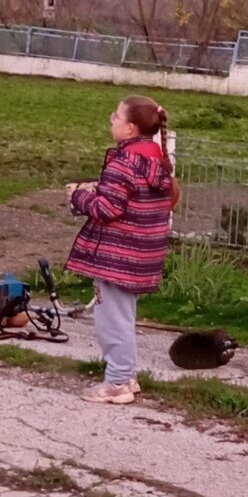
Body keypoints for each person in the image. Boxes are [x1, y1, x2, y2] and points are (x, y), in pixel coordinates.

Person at [66, 95, 175, 405]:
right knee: (123, 316)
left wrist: (78, 197)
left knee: (112, 319)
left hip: (117, 255)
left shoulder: (123, 163)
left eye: (116, 116)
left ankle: (117, 383)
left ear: (130, 128)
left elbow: (107, 208)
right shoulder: (158, 161)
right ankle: (126, 375)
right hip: (143, 253)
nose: (111, 120)